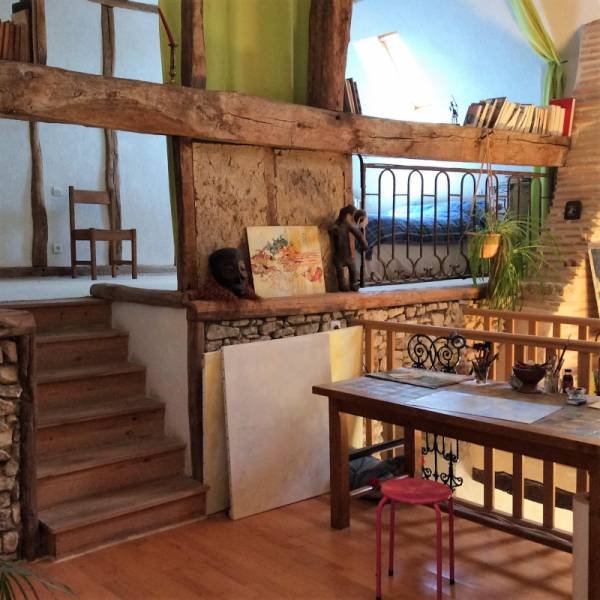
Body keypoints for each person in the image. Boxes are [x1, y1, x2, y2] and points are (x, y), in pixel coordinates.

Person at [329, 205, 368, 291]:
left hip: (348, 255)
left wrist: (364, 243)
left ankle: (353, 284)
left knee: (353, 269)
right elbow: (331, 229)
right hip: (339, 256)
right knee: (340, 271)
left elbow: (358, 234)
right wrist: (334, 230)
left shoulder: (347, 224)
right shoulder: (336, 225)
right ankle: (342, 285)